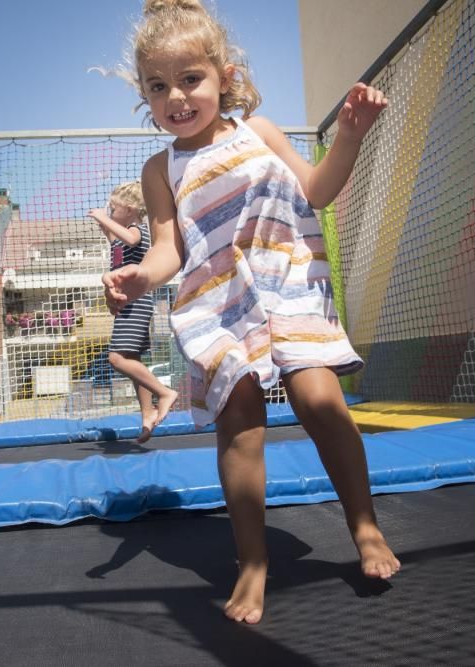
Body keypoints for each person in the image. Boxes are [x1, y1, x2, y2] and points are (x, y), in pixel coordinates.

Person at [102, 0, 401, 624]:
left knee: (320, 400)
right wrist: (139, 278)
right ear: (144, 96)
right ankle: (253, 561)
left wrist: (349, 135)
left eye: (190, 80)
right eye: (158, 87)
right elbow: (166, 249)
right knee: (238, 419)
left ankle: (366, 527)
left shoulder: (258, 132)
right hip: (219, 302)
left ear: (224, 76)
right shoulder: (160, 169)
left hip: (287, 286)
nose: (176, 98)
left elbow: (316, 189)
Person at [89, 181, 178, 444]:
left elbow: (129, 239)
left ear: (129, 209)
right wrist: (105, 224)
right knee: (132, 358)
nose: (109, 210)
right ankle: (147, 414)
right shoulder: (121, 235)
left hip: (137, 301)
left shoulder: (138, 230)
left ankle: (164, 393)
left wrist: (104, 218)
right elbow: (117, 244)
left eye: (113, 207)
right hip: (126, 301)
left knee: (117, 358)